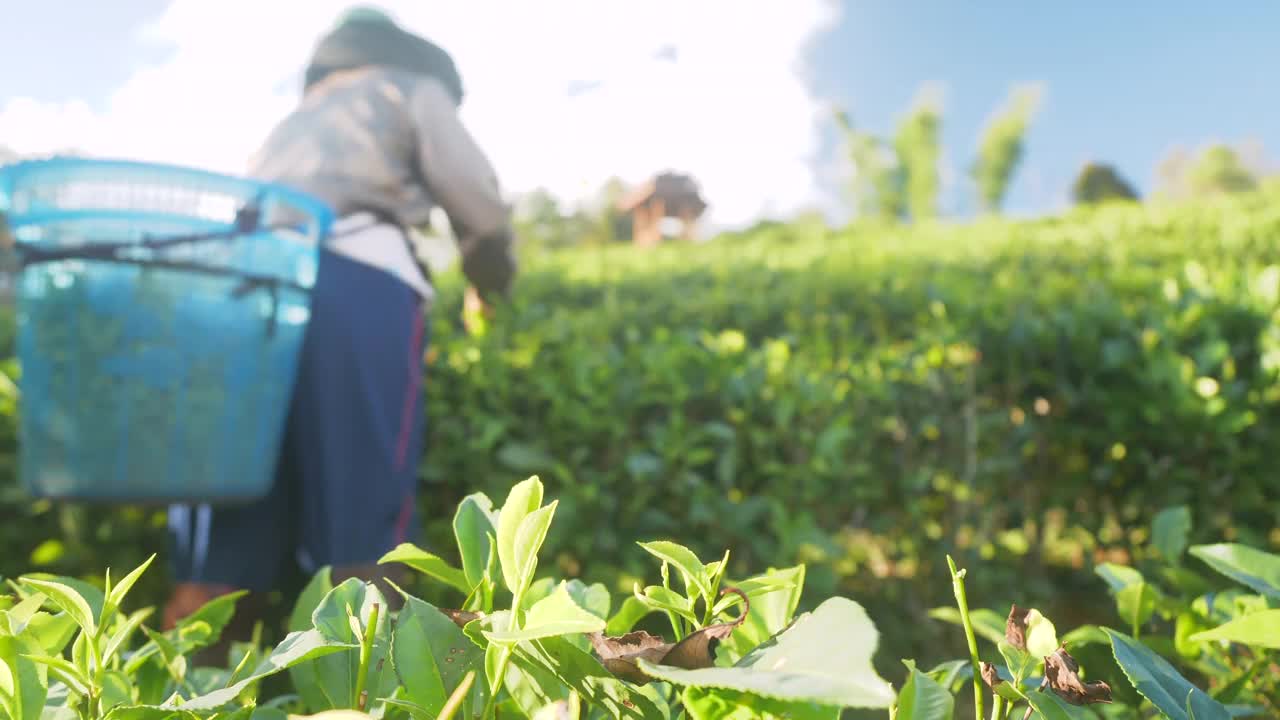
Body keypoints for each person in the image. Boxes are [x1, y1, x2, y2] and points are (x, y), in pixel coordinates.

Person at [162, 6, 517, 647]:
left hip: (246, 297)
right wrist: (490, 289)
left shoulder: (292, 122)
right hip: (356, 287)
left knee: (227, 534)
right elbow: (481, 211)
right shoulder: (409, 86)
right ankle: (365, 695)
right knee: (363, 532)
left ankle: (192, 700)